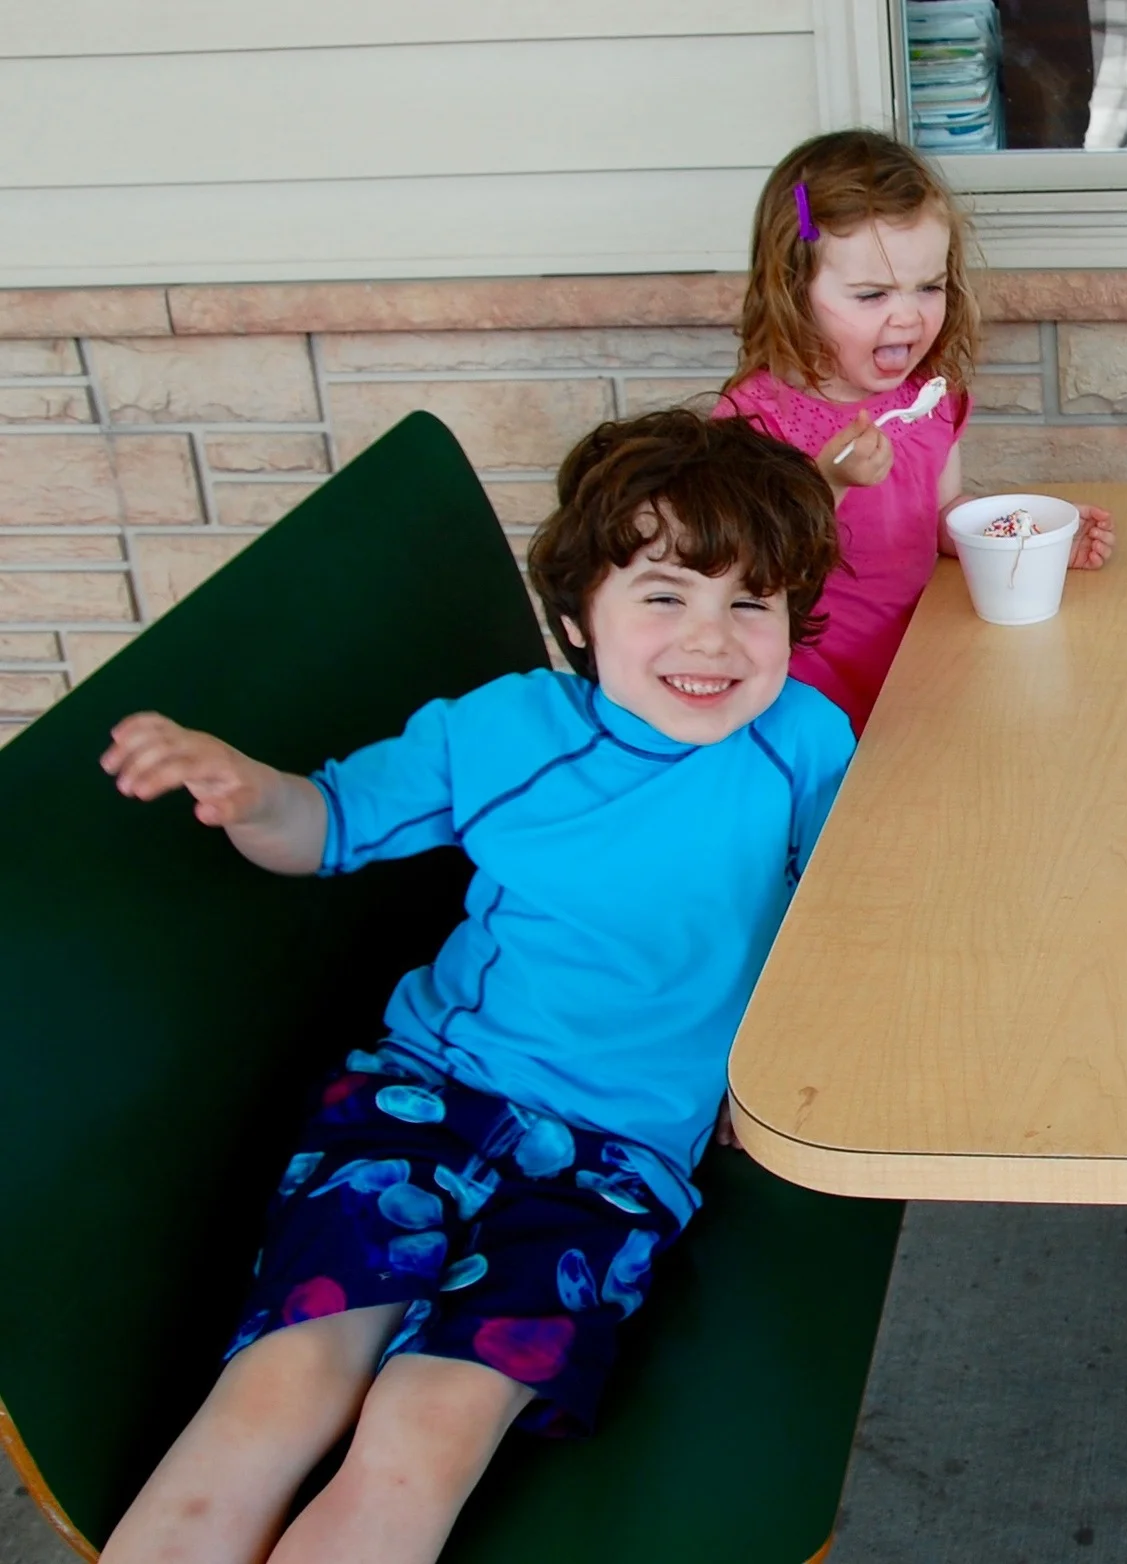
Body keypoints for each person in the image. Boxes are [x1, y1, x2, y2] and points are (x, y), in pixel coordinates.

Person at [94, 410, 856, 1564]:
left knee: (429, 1433)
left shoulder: (801, 745)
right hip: (428, 1098)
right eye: (663, 594)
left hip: (621, 1161)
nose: (712, 638)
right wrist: (249, 793)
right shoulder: (505, 731)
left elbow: (847, 922)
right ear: (574, 619)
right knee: (282, 1389)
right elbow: (328, 822)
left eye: (751, 602)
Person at [719, 128, 1115, 734]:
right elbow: (747, 569)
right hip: (806, 695)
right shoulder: (755, 421)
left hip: (919, 663)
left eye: (929, 286)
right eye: (872, 294)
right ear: (793, 290)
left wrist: (1026, 538)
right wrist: (827, 480)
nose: (909, 314)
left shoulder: (930, 399)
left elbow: (940, 515)